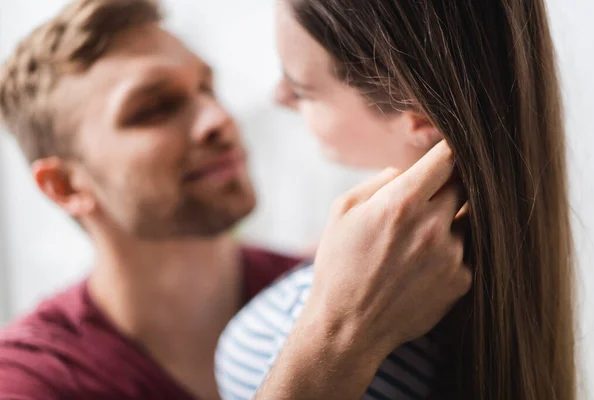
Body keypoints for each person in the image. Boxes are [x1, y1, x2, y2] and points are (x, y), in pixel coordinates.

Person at [0, 0, 471, 399]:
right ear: (65, 186)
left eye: (207, 87)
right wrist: (339, 342)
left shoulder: (360, 282)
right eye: (153, 108)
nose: (217, 118)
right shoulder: (28, 379)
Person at [216, 0, 576, 400]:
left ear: (416, 113)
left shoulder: (307, 345)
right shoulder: (514, 283)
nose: (280, 96)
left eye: (301, 88)